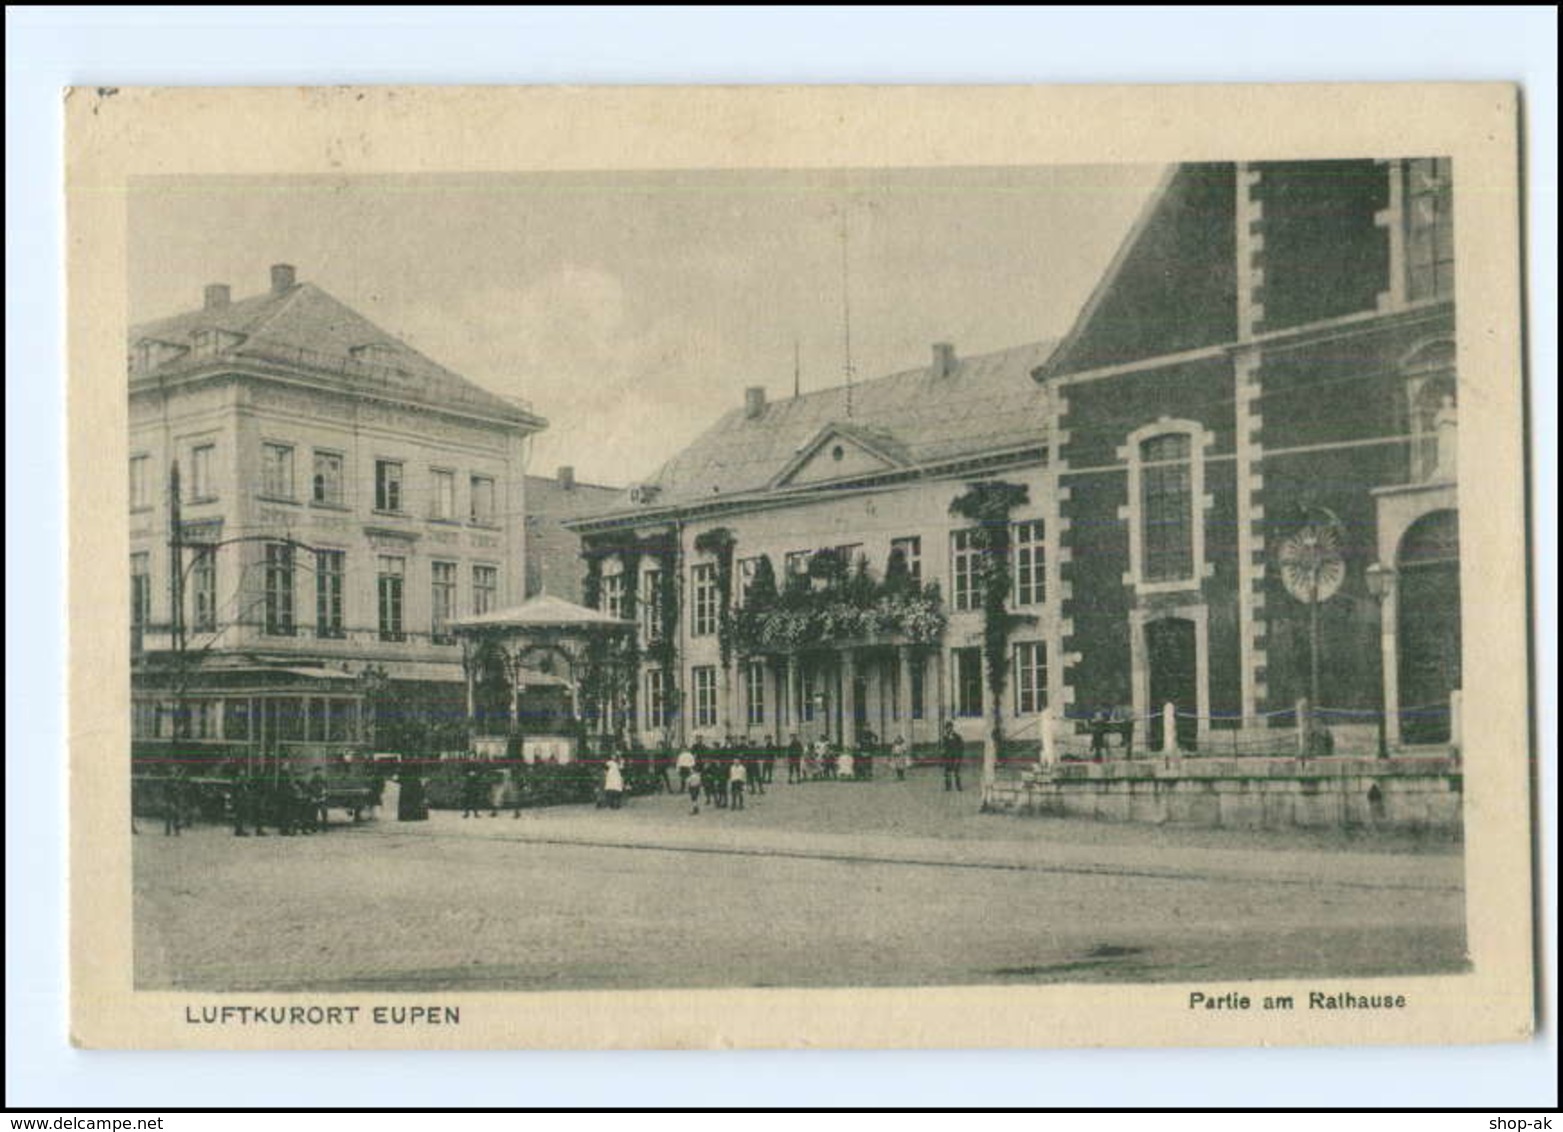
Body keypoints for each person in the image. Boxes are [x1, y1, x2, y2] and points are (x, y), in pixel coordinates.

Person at [941, 722, 964, 792]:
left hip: (955, 757)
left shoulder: (957, 737)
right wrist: (943, 755)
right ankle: (948, 787)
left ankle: (958, 786)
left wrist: (959, 756)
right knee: (947, 773)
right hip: (948, 758)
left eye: (950, 727)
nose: (949, 729)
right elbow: (943, 748)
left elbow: (961, 746)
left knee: (956, 772)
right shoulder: (944, 738)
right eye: (947, 728)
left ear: (952, 728)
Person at [307, 767, 329, 832]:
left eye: (319, 771)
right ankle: (314, 827)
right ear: (314, 772)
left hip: (322, 799)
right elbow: (309, 790)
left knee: (324, 812)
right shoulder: (311, 781)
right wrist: (312, 797)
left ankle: (325, 827)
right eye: (317, 771)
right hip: (314, 798)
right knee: (313, 814)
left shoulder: (323, 780)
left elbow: (326, 789)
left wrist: (324, 796)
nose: (318, 773)